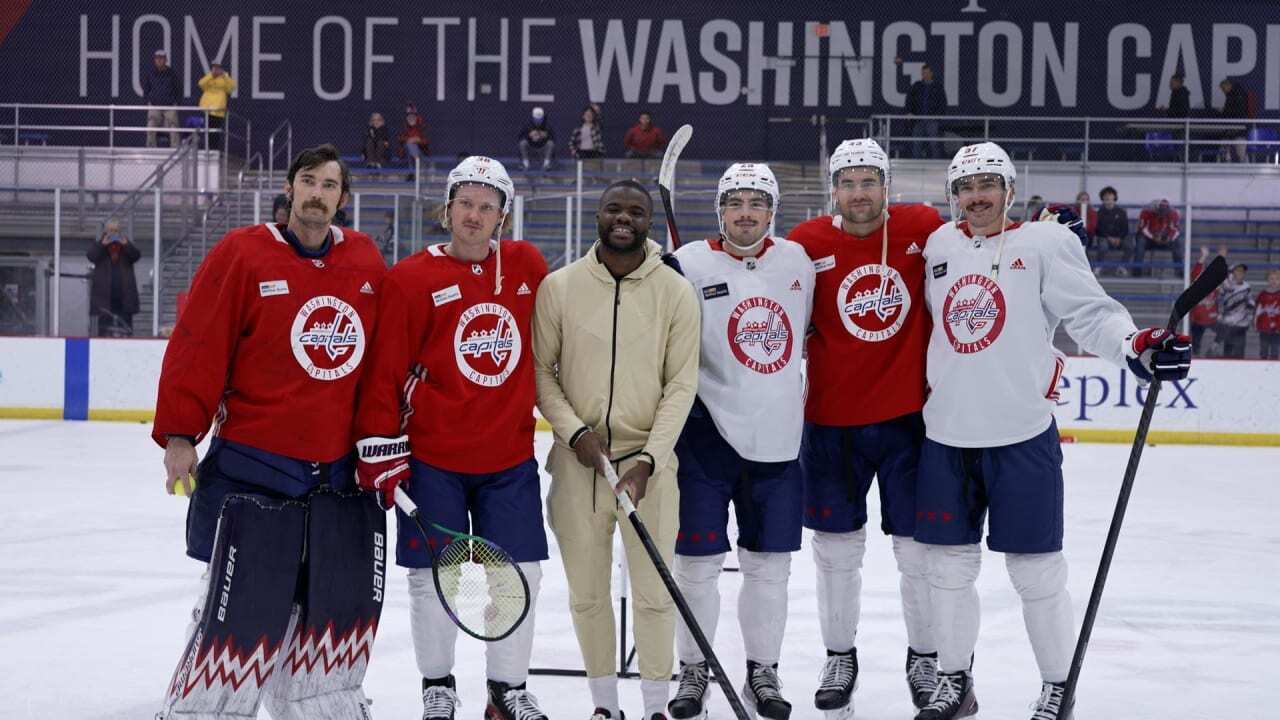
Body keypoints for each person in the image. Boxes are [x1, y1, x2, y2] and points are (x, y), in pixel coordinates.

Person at [913, 141, 1193, 720]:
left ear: (1010, 190)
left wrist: (1135, 347)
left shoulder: (1045, 243)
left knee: (1036, 572)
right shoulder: (939, 246)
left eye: (988, 184)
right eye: (965, 187)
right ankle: (954, 680)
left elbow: (1090, 313)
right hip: (946, 437)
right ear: (953, 196)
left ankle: (1057, 686)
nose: (976, 196)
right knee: (947, 570)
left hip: (1020, 435)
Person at [152, 144, 388, 720]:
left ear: (343, 198)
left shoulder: (363, 259)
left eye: (329, 185)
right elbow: (198, 344)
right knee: (238, 608)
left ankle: (310, 706)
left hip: (334, 476)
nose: (317, 194)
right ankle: (205, 708)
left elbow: (385, 360)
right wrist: (183, 435)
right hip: (253, 465)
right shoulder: (244, 252)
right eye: (308, 181)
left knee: (321, 612)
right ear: (288, 188)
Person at [354, 156, 552, 720]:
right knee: (434, 576)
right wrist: (378, 447)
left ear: (502, 217)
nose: (473, 215)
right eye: (465, 203)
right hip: (432, 459)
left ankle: (507, 688)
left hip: (507, 456)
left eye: (486, 207)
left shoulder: (525, 267)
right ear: (447, 209)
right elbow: (385, 371)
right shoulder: (411, 279)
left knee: (517, 575)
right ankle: (437, 685)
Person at [787, 138, 944, 718]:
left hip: (908, 422)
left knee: (917, 552)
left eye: (868, 181)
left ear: (887, 185)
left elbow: (983, 244)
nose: (858, 193)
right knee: (834, 553)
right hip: (830, 425)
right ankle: (839, 655)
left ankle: (925, 657)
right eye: (847, 182)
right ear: (834, 189)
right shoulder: (806, 244)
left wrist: (1040, 230)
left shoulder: (922, 226)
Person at [532, 179, 700, 720]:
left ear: (649, 221)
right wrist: (574, 432)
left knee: (654, 595)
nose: (623, 218)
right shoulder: (559, 287)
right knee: (586, 594)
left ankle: (654, 706)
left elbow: (681, 384)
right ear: (597, 215)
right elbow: (541, 372)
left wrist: (650, 458)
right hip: (578, 464)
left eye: (635, 211)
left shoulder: (675, 291)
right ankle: (606, 706)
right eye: (613, 209)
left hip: (648, 468)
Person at [666, 164, 814, 720]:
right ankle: (694, 667)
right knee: (697, 565)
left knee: (768, 567)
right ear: (720, 210)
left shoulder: (797, 261)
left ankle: (763, 669)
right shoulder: (689, 262)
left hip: (777, 435)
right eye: (736, 202)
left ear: (772, 211)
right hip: (704, 436)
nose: (746, 212)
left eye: (757, 202)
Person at [87, 218, 141, 336]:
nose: (113, 233)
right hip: (105, 299)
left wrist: (126, 244)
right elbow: (91, 256)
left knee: (126, 329)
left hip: (124, 298)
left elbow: (136, 256)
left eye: (116, 230)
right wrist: (102, 244)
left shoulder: (125, 246)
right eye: (110, 230)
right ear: (106, 231)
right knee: (104, 330)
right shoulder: (100, 246)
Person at [906, 64, 948, 159]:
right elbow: (909, 100)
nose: (924, 75)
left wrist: (938, 116)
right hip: (918, 119)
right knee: (917, 143)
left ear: (931, 73)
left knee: (934, 144)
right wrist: (910, 112)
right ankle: (916, 164)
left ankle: (936, 164)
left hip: (932, 120)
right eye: (923, 73)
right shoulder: (917, 86)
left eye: (926, 73)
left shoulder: (937, 87)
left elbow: (942, 103)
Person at [143, 49, 181, 148]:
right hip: (155, 105)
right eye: (157, 58)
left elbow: (178, 89)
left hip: (169, 106)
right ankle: (151, 149)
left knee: (174, 126)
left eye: (162, 58)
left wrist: (175, 102)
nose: (159, 60)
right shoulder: (150, 73)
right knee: (151, 125)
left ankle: (175, 149)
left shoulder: (172, 73)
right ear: (154, 60)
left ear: (166, 60)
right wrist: (149, 101)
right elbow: (146, 89)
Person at [1136, 199, 1182, 277]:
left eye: (1164, 212)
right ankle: (1136, 270)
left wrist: (1169, 238)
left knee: (1177, 243)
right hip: (1150, 239)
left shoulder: (1173, 214)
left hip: (1165, 239)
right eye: (1160, 212)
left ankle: (1180, 272)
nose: (1162, 215)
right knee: (1141, 241)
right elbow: (1142, 228)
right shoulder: (1146, 212)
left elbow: (1176, 230)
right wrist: (1153, 237)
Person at [1217, 262, 1255, 358]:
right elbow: (1218, 301)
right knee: (1227, 351)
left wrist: (1248, 320)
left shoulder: (1247, 287)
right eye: (1237, 271)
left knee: (1239, 351)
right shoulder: (1226, 286)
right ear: (1232, 272)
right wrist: (1221, 317)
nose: (1240, 273)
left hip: (1241, 325)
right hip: (1227, 324)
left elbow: (1251, 305)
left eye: (1242, 271)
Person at [1091, 186, 1131, 276]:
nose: (1108, 197)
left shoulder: (1121, 212)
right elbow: (1098, 229)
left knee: (1129, 246)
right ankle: (1098, 266)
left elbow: (1125, 228)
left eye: (1110, 195)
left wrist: (1119, 238)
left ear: (1114, 197)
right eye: (1106, 196)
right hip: (1105, 238)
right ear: (1103, 198)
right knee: (1103, 246)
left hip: (1119, 239)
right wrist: (1109, 238)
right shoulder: (1099, 213)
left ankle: (1122, 267)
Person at [1189, 246, 1222, 355]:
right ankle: (1196, 356)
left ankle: (1212, 349)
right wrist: (1203, 256)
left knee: (1224, 331)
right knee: (1196, 343)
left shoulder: (1215, 286)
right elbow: (1195, 272)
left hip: (1212, 319)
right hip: (1197, 320)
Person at [196, 62, 235, 140]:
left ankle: (214, 149)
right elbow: (201, 84)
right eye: (214, 68)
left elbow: (232, 87)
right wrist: (211, 75)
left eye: (217, 68)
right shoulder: (209, 77)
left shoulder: (224, 78)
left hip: (218, 108)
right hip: (207, 108)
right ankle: (209, 149)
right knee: (208, 131)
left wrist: (224, 76)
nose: (216, 70)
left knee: (216, 131)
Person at [1220, 78, 1250, 162]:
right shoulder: (1231, 95)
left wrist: (1224, 112)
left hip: (1239, 128)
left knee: (1240, 150)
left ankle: (1245, 167)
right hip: (1231, 128)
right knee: (1224, 144)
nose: (1223, 91)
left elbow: (1235, 111)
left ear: (1228, 85)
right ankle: (1227, 163)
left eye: (1223, 88)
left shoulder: (1237, 95)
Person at [1256, 270, 1280, 359]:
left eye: (1277, 279)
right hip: (1264, 328)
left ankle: (1273, 370)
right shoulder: (1262, 294)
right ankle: (1262, 369)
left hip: (1277, 329)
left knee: (1275, 350)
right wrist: (1257, 325)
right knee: (1263, 350)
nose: (1274, 281)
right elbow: (1257, 312)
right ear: (1267, 280)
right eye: (1271, 279)